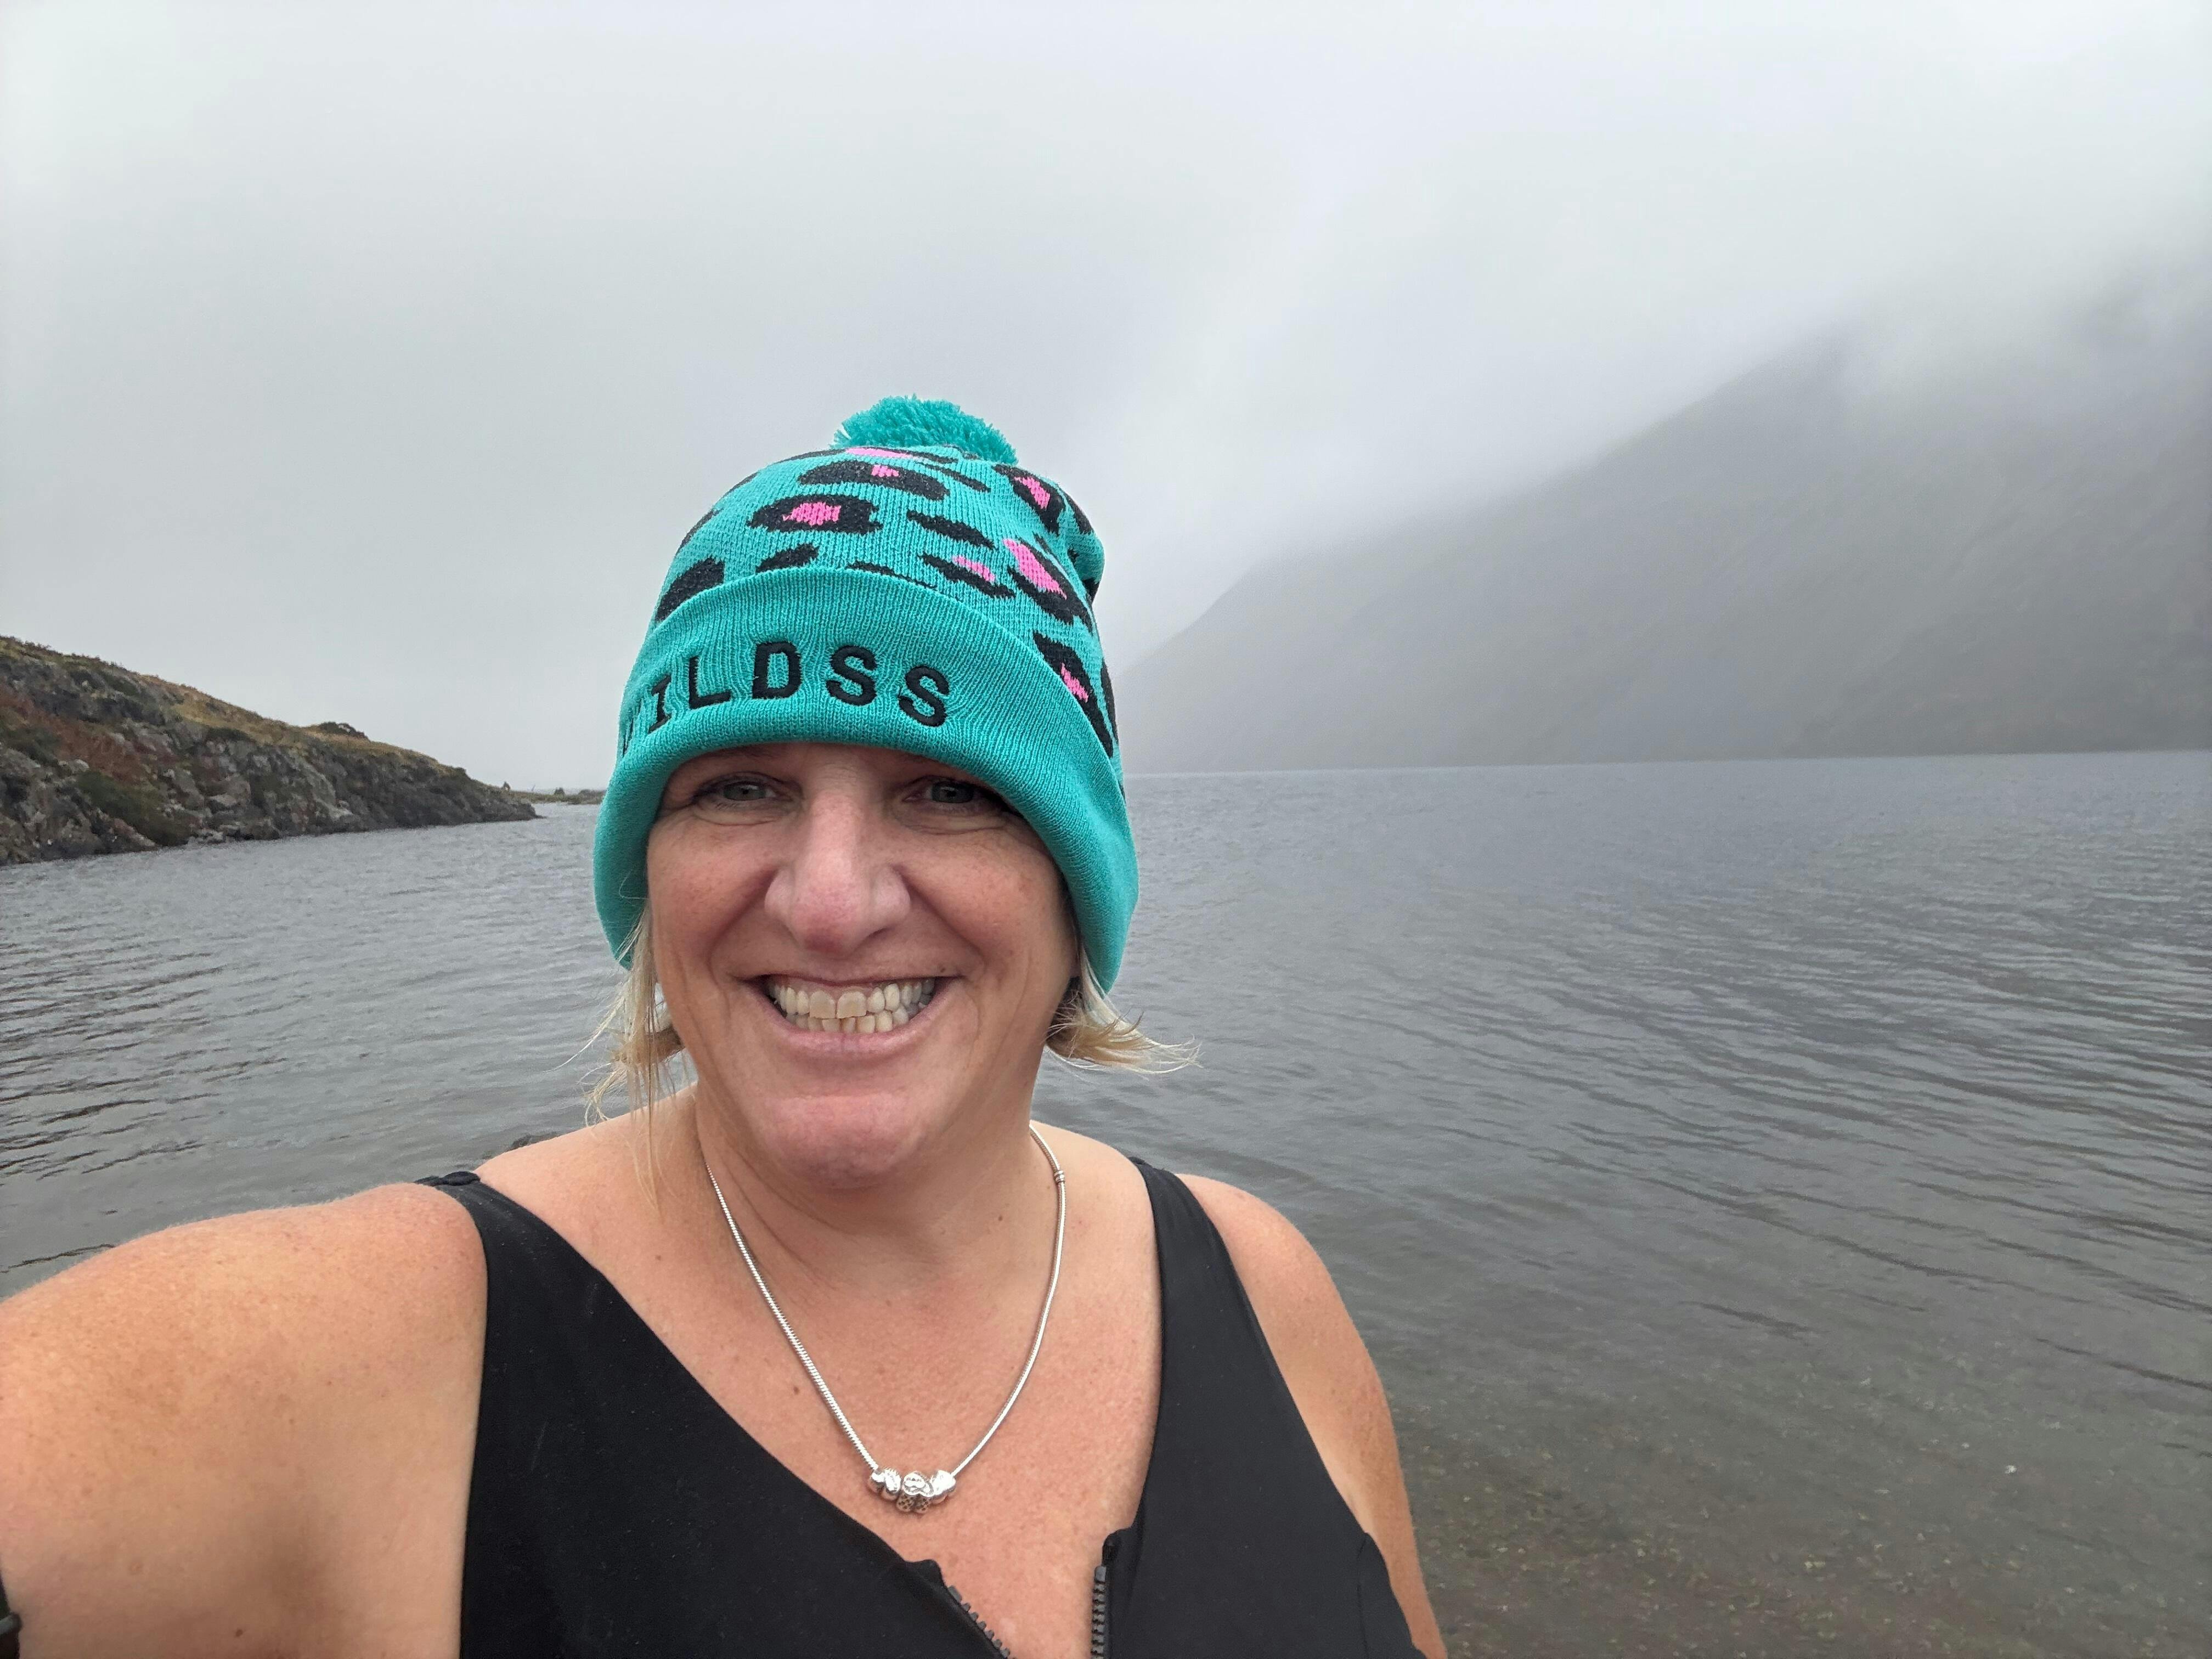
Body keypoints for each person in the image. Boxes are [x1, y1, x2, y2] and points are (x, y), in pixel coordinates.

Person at [0, 398, 1445, 1657]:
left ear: (1078, 882)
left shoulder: (1262, 1290)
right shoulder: (371, 1354)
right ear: (650, 872)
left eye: (950, 789)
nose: (829, 902)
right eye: (739, 787)